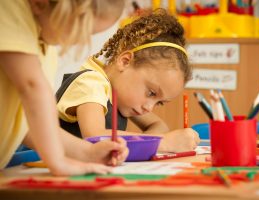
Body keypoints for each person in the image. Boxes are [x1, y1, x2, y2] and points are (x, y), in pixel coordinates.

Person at [0, 0, 128, 176]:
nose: (82, 40)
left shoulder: (44, 48)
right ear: (40, 3)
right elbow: (33, 88)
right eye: (82, 29)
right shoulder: (8, 9)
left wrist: (88, 153)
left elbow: (26, 126)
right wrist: (58, 161)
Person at [56, 8, 201, 153]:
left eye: (159, 102)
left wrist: (143, 145)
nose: (149, 108)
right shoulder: (91, 83)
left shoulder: (119, 96)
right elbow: (95, 136)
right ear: (125, 62)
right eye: (151, 93)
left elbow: (159, 125)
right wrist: (162, 143)